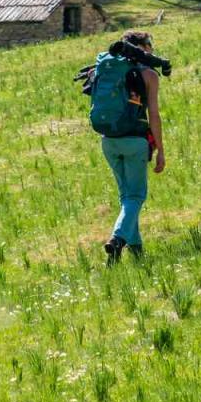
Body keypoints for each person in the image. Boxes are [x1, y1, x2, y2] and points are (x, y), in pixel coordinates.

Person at [86, 31, 166, 264]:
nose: (152, 49)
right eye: (149, 44)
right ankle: (117, 239)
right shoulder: (149, 75)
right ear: (141, 48)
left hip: (108, 140)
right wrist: (160, 149)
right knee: (136, 195)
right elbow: (154, 115)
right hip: (135, 141)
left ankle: (136, 252)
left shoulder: (101, 69)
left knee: (127, 197)